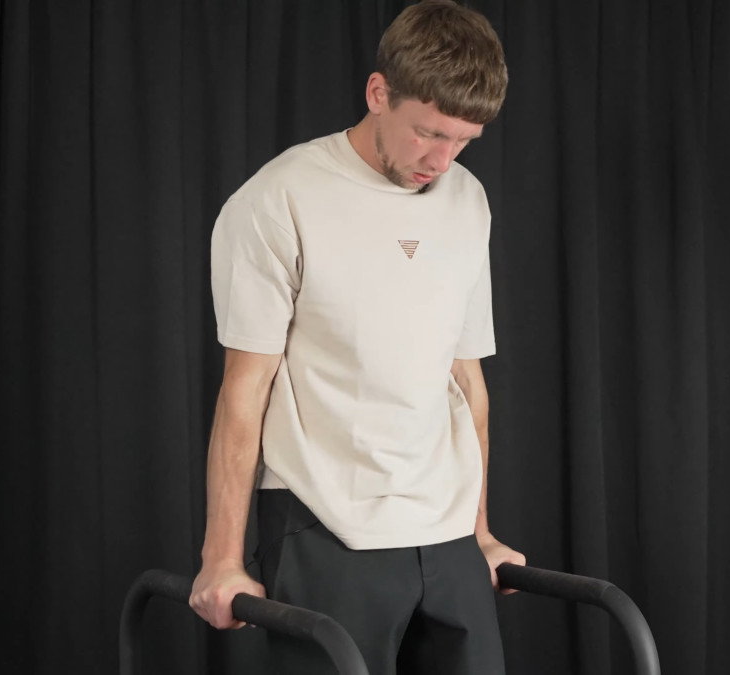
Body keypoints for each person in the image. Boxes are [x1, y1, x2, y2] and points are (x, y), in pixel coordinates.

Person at [189, 1, 523, 671]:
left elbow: (466, 381)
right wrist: (222, 557)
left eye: (463, 140)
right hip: (324, 522)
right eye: (428, 133)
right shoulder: (278, 199)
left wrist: (481, 530)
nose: (444, 157)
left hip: (447, 528)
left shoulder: (468, 200)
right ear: (378, 93)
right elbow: (244, 390)